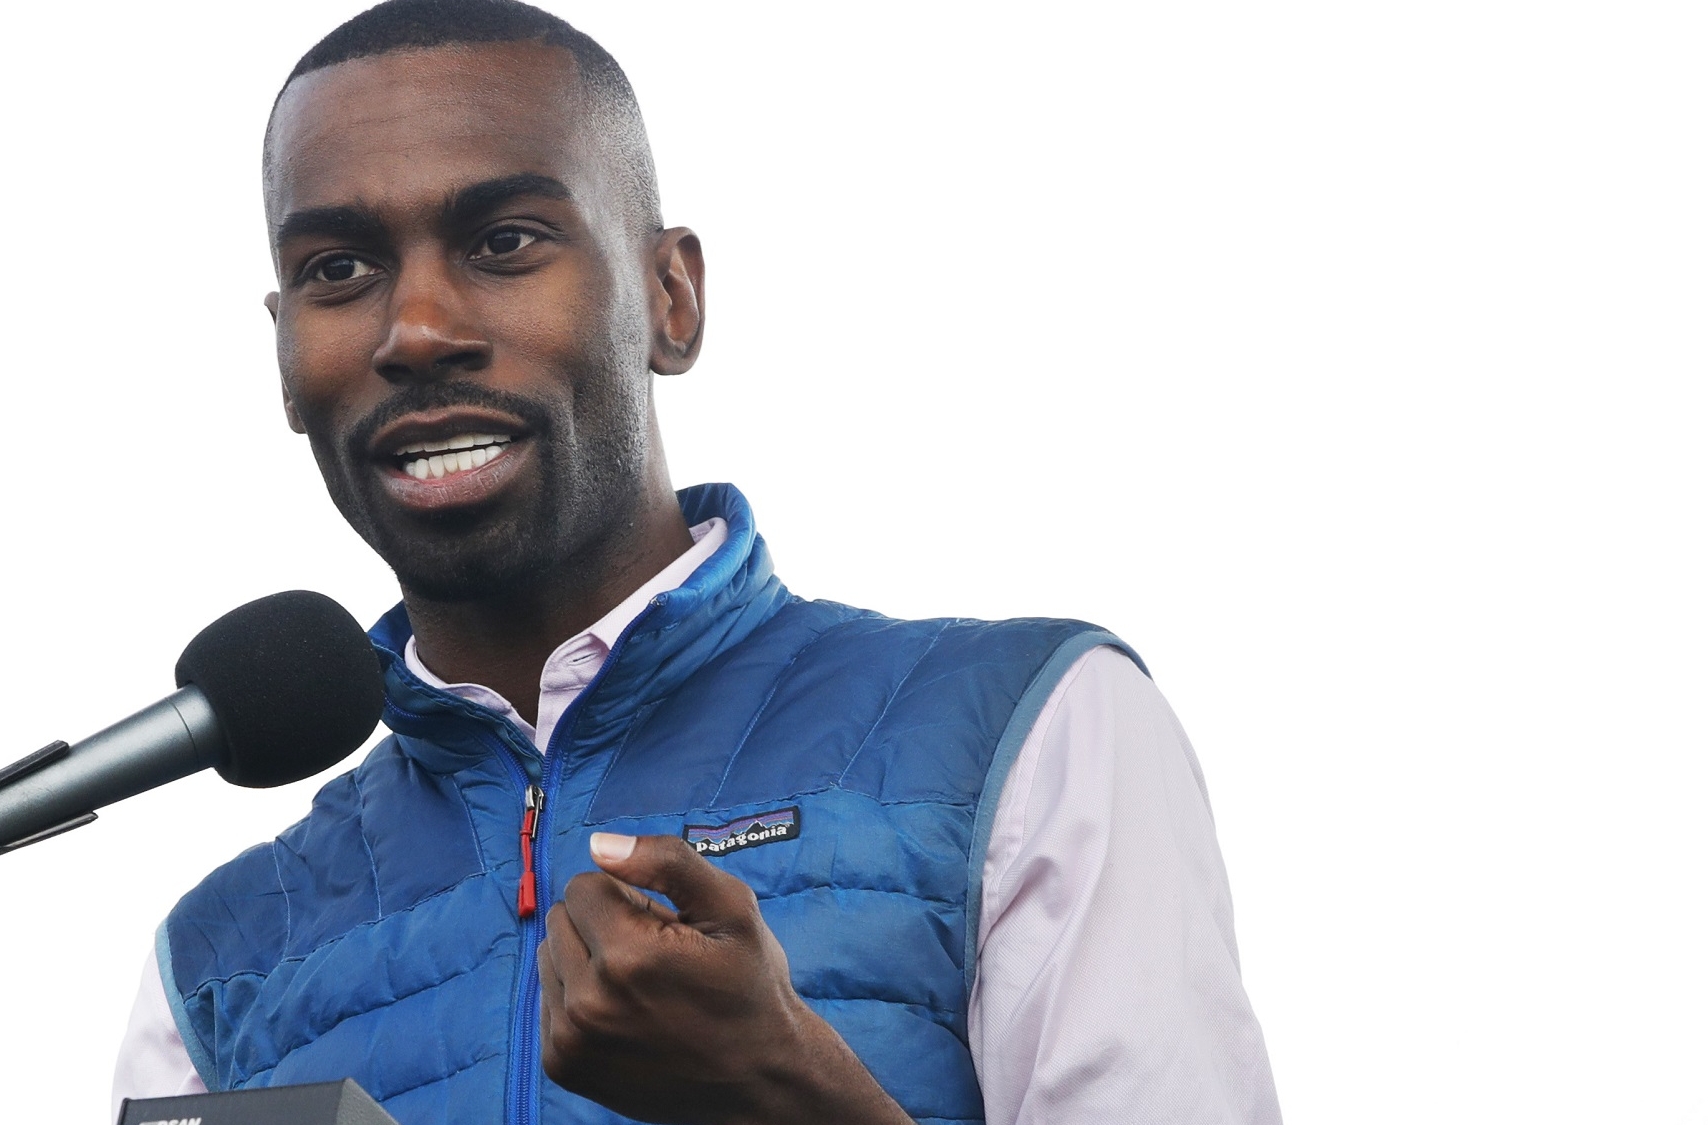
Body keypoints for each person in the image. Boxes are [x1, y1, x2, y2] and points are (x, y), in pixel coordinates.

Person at [113, 2, 1280, 1122]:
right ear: (280, 353)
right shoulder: (217, 961)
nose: (414, 328)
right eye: (337, 271)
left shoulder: (1024, 733)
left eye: (503, 241)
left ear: (669, 298)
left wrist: (793, 1104)